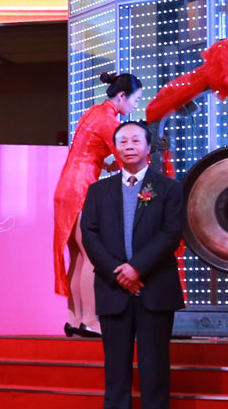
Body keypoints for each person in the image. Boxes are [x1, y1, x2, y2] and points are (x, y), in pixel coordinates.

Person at [79, 121, 185, 409]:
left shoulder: (168, 188)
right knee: (115, 371)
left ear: (149, 147)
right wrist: (119, 273)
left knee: (155, 369)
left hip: (155, 289)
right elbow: (89, 234)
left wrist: (136, 268)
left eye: (136, 140)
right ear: (115, 148)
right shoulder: (98, 190)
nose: (129, 146)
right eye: (123, 141)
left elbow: (171, 234)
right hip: (113, 289)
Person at [54, 71, 142, 337]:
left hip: (66, 185)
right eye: (136, 100)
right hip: (81, 188)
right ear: (122, 96)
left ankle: (73, 319)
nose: (136, 105)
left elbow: (85, 151)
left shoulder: (93, 112)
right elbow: (128, 158)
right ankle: (91, 320)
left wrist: (104, 164)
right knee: (92, 256)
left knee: (78, 257)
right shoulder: (109, 122)